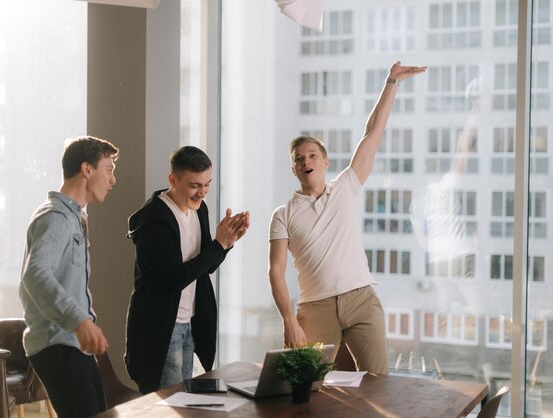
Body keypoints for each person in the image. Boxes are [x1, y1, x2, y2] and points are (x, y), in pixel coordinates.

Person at [268, 61, 426, 374]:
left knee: (376, 385)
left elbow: (373, 132)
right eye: (299, 159)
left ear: (325, 162)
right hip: (315, 309)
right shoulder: (283, 214)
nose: (306, 161)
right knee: (307, 386)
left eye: (313, 155)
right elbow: (275, 270)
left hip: (361, 301)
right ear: (294, 169)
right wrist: (288, 321)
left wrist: (391, 83)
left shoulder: (346, 186)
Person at [125, 145, 250, 394]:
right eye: (195, 185)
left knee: (183, 400)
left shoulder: (198, 209)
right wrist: (218, 244)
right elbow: (176, 278)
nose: (202, 193)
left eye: (207, 184)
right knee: (171, 404)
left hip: (188, 323)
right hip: (162, 326)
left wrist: (227, 243)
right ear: (173, 179)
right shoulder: (155, 219)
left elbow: (206, 267)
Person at [19, 136, 119, 418]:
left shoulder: (73, 217)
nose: (113, 180)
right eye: (109, 170)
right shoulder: (55, 217)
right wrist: (79, 320)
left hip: (71, 345)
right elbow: (35, 274)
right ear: (87, 169)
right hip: (57, 345)